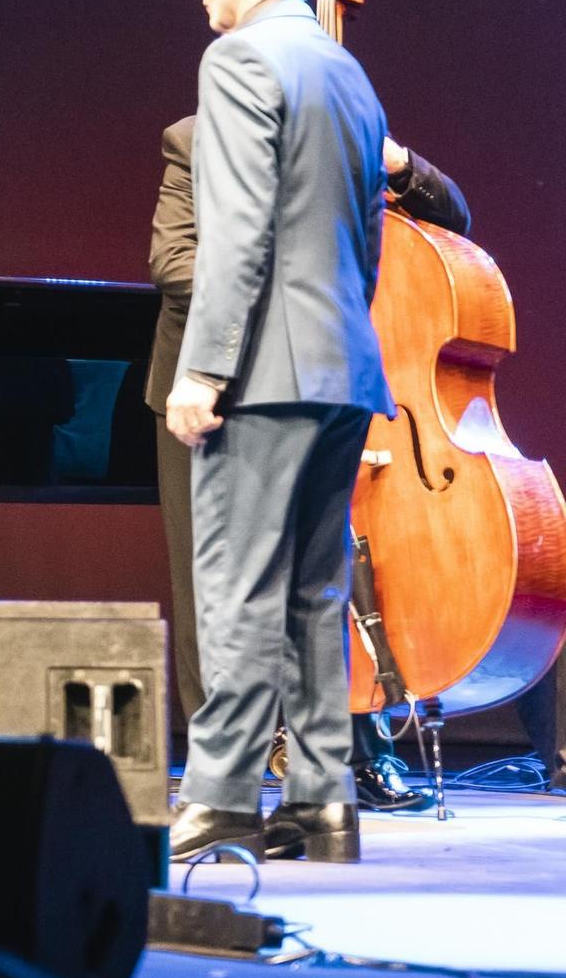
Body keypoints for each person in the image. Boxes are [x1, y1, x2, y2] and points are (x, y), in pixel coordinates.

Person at [149, 119, 470, 813]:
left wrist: (400, 163)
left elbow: (455, 218)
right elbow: (174, 265)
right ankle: (221, 774)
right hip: (221, 390)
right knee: (210, 582)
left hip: (323, 388)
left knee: (327, 581)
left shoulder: (345, 135)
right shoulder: (196, 138)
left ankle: (354, 751)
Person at [164, 0, 392, 864]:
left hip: (262, 369)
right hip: (343, 365)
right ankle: (321, 802)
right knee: (310, 589)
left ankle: (215, 800)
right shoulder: (347, 75)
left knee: (239, 585)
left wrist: (202, 367)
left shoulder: (237, 60)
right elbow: (365, 241)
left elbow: (236, 234)